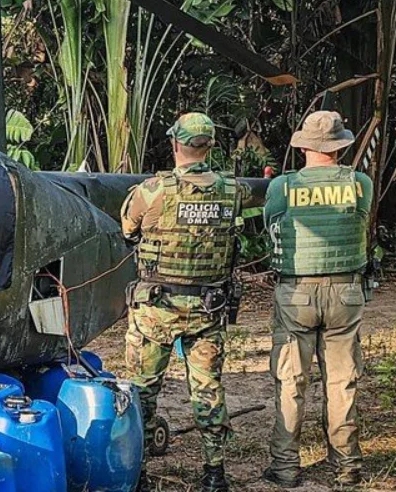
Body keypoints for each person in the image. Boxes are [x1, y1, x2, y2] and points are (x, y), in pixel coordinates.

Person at [121, 112, 243, 492]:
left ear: (176, 144)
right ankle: (214, 472)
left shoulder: (152, 191)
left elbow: (128, 229)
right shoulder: (231, 190)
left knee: (142, 390)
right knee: (208, 389)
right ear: (209, 146)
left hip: (158, 309)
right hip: (207, 309)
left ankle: (137, 471)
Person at [262, 110, 373, 488]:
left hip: (296, 292)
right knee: (342, 380)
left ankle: (286, 468)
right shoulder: (360, 183)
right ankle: (347, 466)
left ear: (305, 146)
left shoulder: (282, 186)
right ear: (340, 146)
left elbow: (270, 226)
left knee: (291, 380)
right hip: (346, 290)